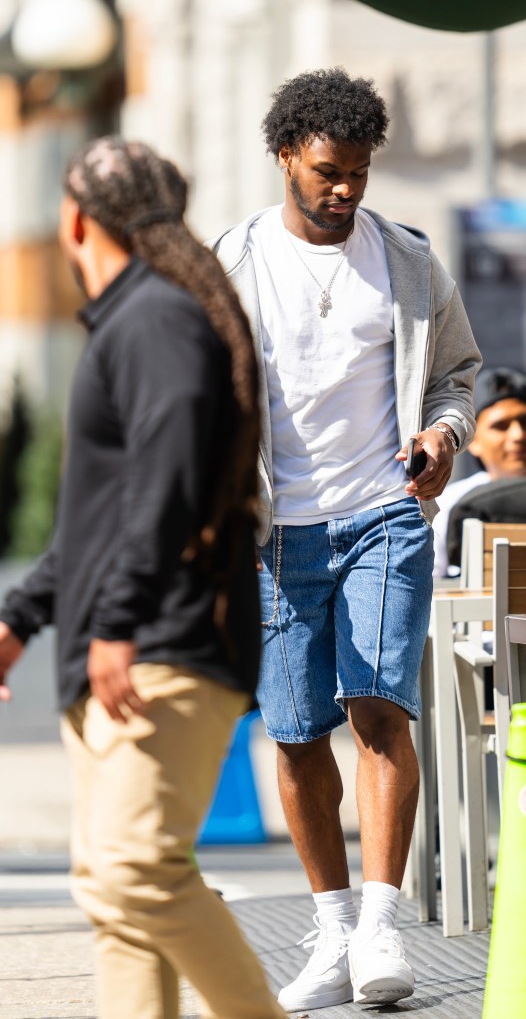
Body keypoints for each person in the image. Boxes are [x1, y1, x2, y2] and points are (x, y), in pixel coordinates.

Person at [211, 68, 481, 1011]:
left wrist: (443, 436)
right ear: (285, 154)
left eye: (359, 173)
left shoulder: (406, 262)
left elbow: (456, 375)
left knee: (377, 708)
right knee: (292, 737)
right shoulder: (233, 265)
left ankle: (379, 926)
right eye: (329, 171)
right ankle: (329, 932)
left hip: (383, 514)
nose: (346, 190)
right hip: (278, 534)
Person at [0, 137, 285, 1019]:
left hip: (164, 648)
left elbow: (166, 483)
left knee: (134, 871)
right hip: (125, 652)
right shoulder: (136, 321)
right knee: (116, 898)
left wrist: (118, 621)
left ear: (76, 217)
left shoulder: (155, 320)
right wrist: (21, 618)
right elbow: (98, 523)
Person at [432, 366, 526, 577]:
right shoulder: (444, 506)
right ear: (472, 440)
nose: (519, 435)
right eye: (501, 426)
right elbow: (434, 589)